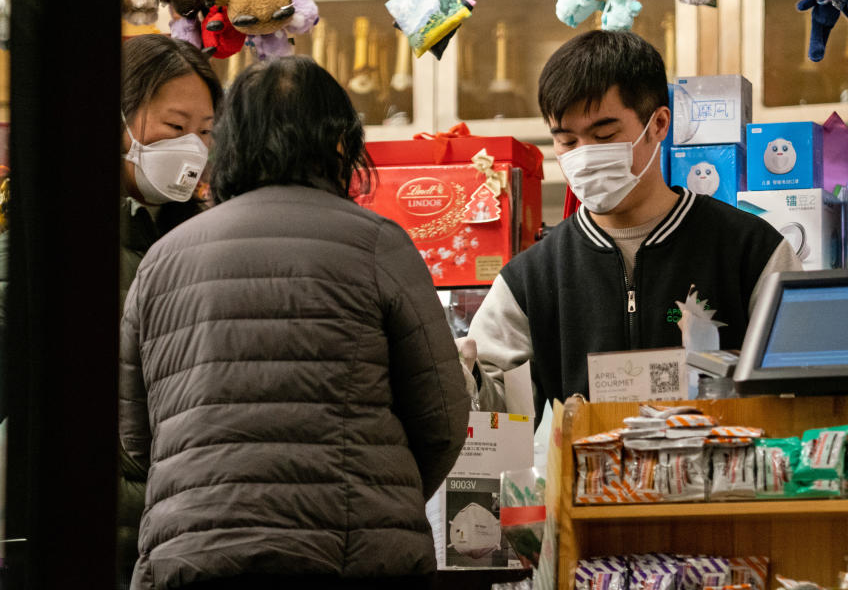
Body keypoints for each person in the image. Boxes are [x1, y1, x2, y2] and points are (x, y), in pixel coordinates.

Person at [118, 55, 470, 590]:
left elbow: (135, 435)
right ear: (338, 143)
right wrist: (376, 490)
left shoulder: (161, 260)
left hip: (193, 560)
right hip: (353, 556)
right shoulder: (378, 243)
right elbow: (443, 416)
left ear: (230, 144)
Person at [0, 33, 223, 588]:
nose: (193, 151)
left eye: (205, 133)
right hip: (92, 551)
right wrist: (29, 287)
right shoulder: (50, 235)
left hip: (201, 547)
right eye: (175, 129)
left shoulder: (216, 243)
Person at [467, 30, 802, 415]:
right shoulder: (531, 279)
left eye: (604, 134)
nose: (585, 156)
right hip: (589, 473)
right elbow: (500, 411)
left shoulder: (753, 251)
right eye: (567, 142)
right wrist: (463, 379)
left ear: (659, 124)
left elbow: (799, 393)